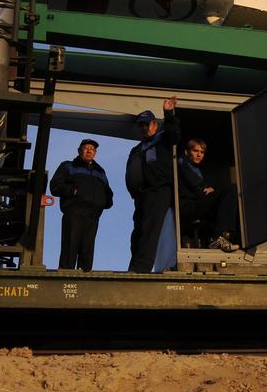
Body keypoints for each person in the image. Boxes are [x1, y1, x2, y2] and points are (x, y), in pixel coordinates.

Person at [125, 97, 180, 273]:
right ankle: (135, 266)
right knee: (138, 232)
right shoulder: (137, 149)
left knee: (149, 229)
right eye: (141, 125)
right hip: (141, 195)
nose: (144, 128)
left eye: (147, 124)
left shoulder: (162, 139)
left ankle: (141, 268)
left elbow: (174, 132)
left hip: (158, 191)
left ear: (155, 125)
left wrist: (169, 113)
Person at [48, 138, 113, 271]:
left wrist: (103, 202)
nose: (89, 151)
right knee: (70, 244)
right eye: (86, 148)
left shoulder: (100, 171)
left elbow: (108, 192)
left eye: (92, 149)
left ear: (95, 153)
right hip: (74, 211)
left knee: (87, 248)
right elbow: (55, 185)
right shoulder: (68, 166)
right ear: (79, 151)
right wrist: (73, 191)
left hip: (93, 214)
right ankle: (65, 272)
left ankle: (84, 274)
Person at [177, 137, 240, 251]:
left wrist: (210, 189)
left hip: (197, 204)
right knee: (228, 191)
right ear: (186, 152)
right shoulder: (182, 164)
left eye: (202, 152)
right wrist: (207, 189)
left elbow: (203, 188)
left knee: (230, 198)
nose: (199, 154)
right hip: (187, 207)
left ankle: (227, 235)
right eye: (195, 151)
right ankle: (216, 238)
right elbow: (198, 188)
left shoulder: (196, 168)